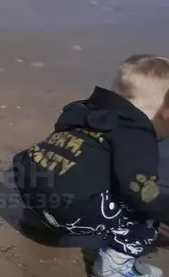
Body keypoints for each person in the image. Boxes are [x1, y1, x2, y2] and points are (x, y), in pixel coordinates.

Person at [13, 55, 169, 277]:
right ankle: (115, 265)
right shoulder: (137, 136)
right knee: (146, 207)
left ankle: (44, 222)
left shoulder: (83, 109)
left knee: (77, 166)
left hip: (31, 192)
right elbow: (142, 195)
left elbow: (61, 133)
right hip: (69, 212)